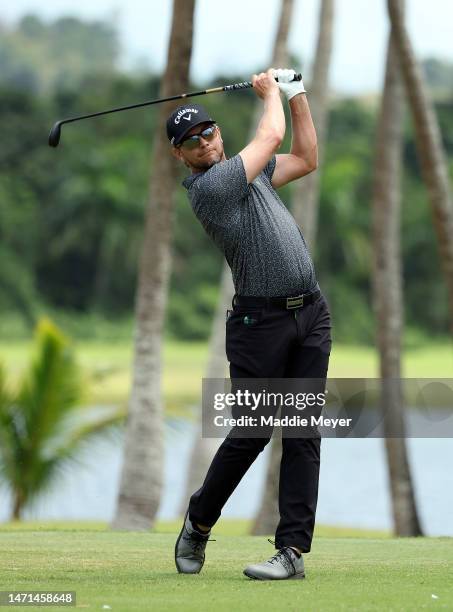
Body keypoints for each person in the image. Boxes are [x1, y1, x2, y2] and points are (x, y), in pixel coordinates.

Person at [166, 68, 332, 581]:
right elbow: (272, 135)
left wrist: (297, 93)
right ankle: (198, 521)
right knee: (254, 432)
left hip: (310, 313)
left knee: (303, 431)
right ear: (181, 155)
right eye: (190, 140)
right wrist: (270, 93)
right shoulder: (211, 187)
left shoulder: (250, 171)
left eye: (208, 131)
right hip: (258, 323)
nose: (203, 142)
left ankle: (291, 553)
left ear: (219, 132)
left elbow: (305, 157)